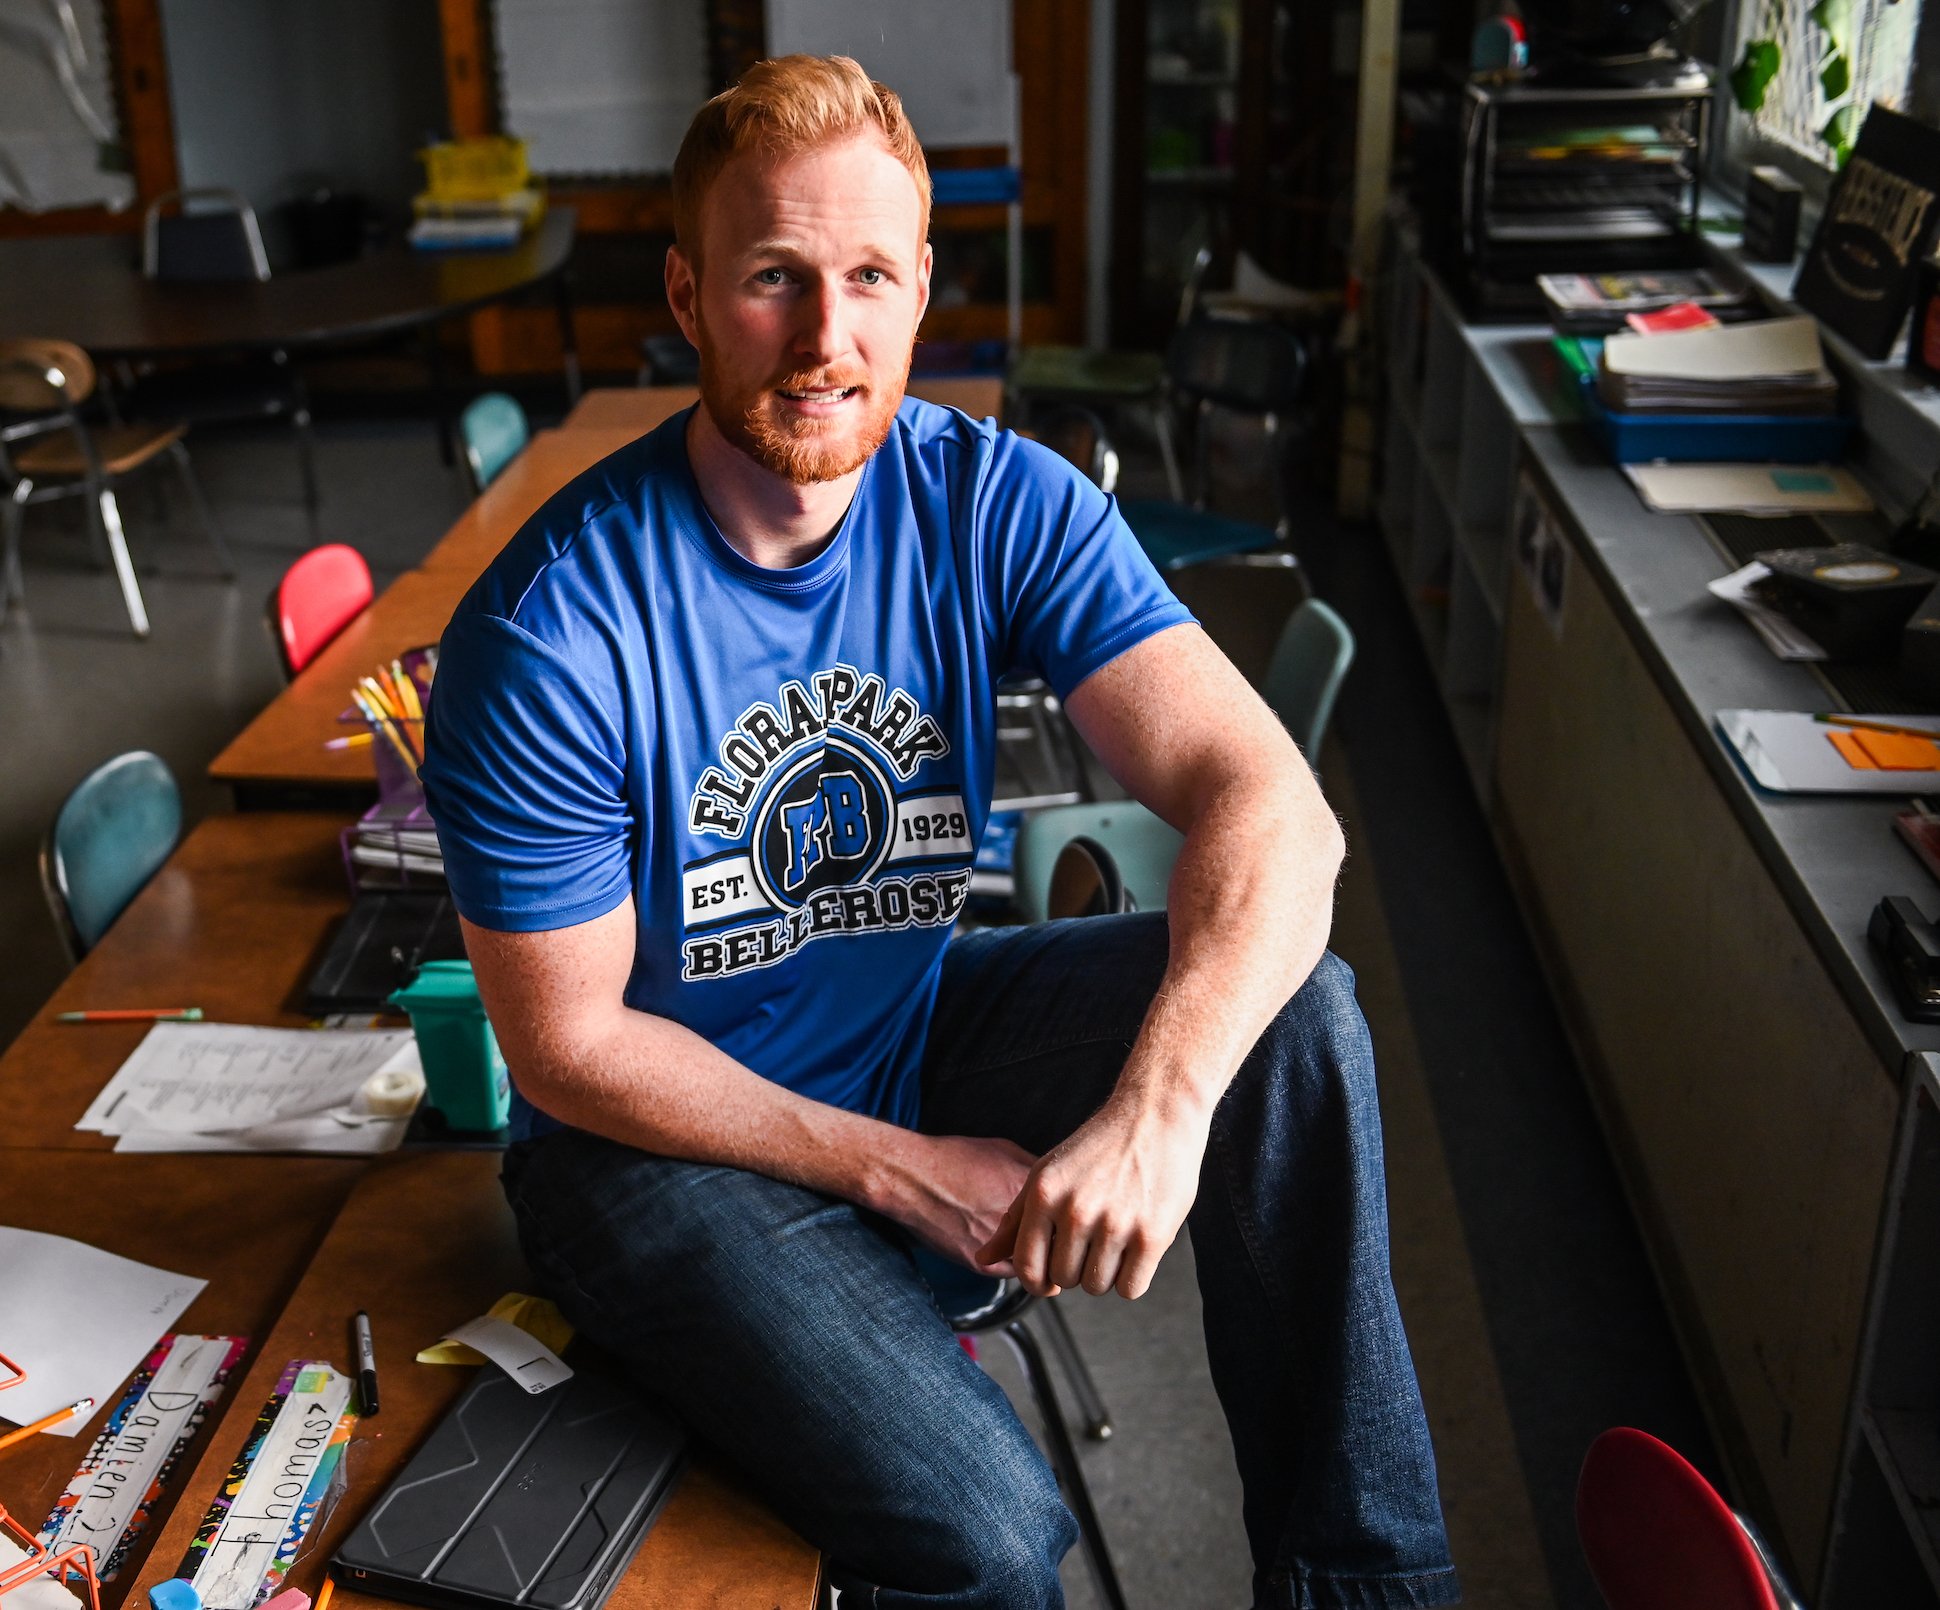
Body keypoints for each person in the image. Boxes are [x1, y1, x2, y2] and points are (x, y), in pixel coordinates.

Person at [420, 53, 1456, 1610]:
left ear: (921, 292)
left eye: (867, 278)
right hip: (650, 1153)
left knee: (1297, 1012)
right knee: (987, 1528)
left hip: (904, 1028)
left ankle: (1367, 1592)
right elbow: (566, 1047)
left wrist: (1157, 1116)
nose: (827, 339)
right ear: (692, 297)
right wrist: (904, 1172)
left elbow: (1277, 809)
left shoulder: (998, 505)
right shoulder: (556, 629)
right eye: (774, 278)